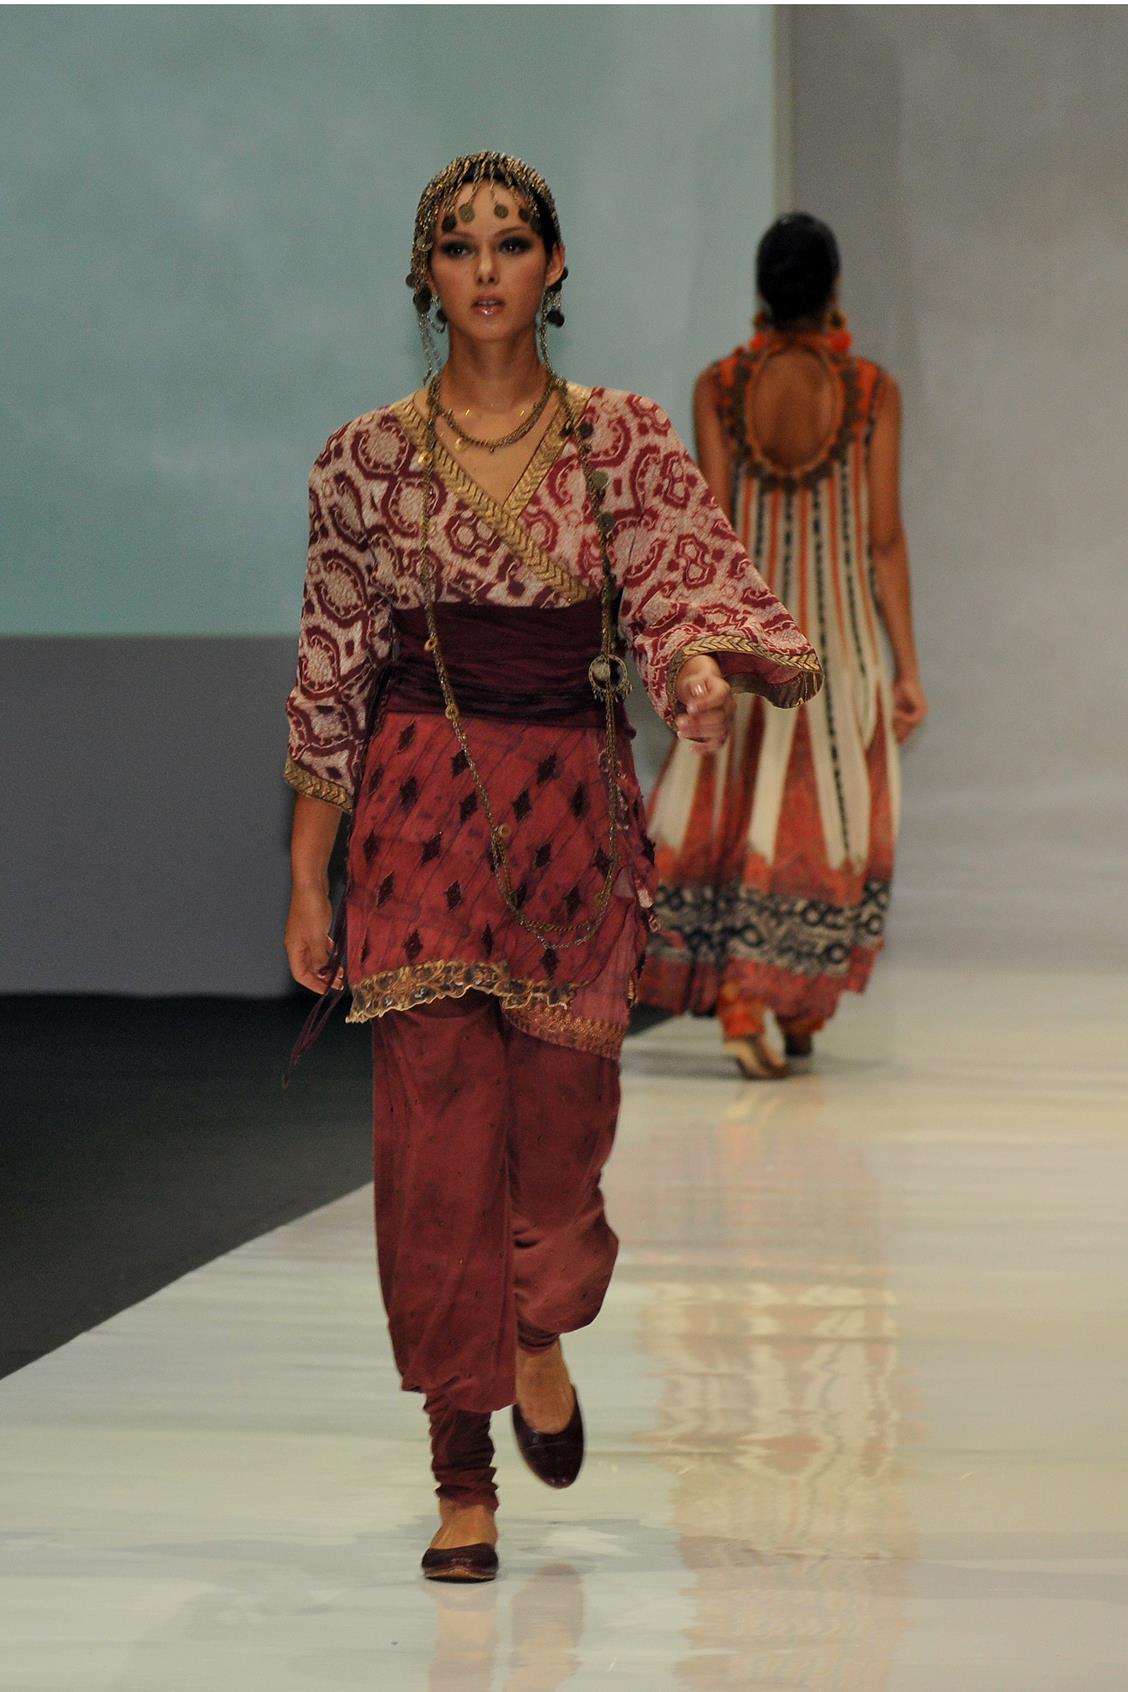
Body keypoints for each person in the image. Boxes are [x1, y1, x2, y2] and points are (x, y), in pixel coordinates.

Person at [282, 154, 821, 1582]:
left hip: (573, 827)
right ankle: (460, 1475)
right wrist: (307, 875)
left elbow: (676, 593)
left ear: (555, 266)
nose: (487, 268)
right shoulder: (365, 461)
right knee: (434, 1155)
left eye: (512, 242)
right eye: (458, 246)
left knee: (560, 1171)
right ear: (427, 275)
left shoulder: (620, 439)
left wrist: (693, 675)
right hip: (415, 816)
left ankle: (535, 1327)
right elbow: (331, 670)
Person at [639, 214, 926, 1079]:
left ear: (763, 292)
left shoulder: (719, 386)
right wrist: (908, 666)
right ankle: (771, 999)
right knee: (825, 808)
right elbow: (883, 539)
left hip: (748, 639)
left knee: (740, 808)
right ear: (832, 290)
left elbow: (714, 524)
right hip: (837, 647)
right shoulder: (872, 391)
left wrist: (699, 643)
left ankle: (770, 1001)